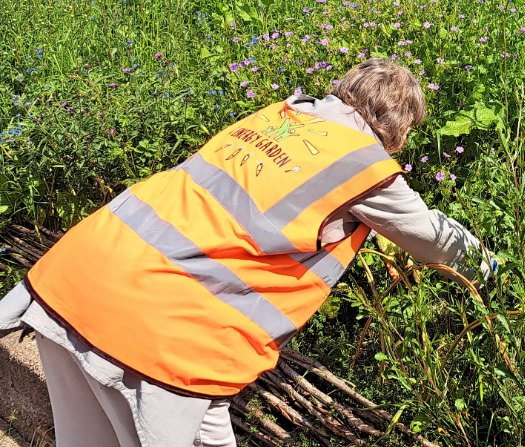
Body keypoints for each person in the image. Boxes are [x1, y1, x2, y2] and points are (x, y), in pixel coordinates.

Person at [0, 59, 492, 447]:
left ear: (344, 90)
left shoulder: (276, 117)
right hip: (162, 328)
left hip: (74, 275)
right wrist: (495, 269)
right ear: (399, 130)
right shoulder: (364, 164)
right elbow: (433, 238)